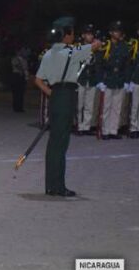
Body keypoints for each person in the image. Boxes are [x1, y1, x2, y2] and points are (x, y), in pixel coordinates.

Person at [35, 17, 101, 197]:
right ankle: (58, 186)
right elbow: (95, 46)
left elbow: (38, 80)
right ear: (66, 35)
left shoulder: (48, 53)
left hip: (55, 96)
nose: (73, 36)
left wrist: (51, 93)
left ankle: (50, 185)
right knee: (61, 143)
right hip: (66, 96)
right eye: (71, 32)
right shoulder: (72, 52)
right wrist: (96, 41)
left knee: (53, 142)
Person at [96, 20, 131, 139]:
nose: (118, 33)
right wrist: (100, 80)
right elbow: (99, 64)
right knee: (106, 107)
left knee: (117, 108)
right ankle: (105, 131)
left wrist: (126, 81)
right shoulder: (105, 45)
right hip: (108, 79)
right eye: (116, 31)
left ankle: (113, 130)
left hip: (119, 80)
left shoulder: (124, 46)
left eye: (119, 31)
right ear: (111, 33)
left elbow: (127, 65)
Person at [75, 24, 100, 135]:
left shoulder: (97, 48)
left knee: (89, 105)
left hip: (92, 79)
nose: (90, 36)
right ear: (83, 35)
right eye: (88, 34)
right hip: (81, 78)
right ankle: (79, 126)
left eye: (91, 34)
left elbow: (99, 63)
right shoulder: (78, 46)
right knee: (79, 105)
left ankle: (86, 126)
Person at [127, 22, 139, 138]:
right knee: (135, 104)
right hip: (136, 77)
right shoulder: (135, 44)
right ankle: (133, 127)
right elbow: (130, 63)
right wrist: (129, 80)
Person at [10, 46, 30, 112]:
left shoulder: (24, 60)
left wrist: (26, 77)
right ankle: (15, 107)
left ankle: (20, 107)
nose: (20, 53)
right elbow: (16, 65)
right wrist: (22, 70)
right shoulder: (14, 59)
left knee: (21, 93)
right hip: (16, 76)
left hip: (22, 77)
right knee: (16, 93)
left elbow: (26, 69)